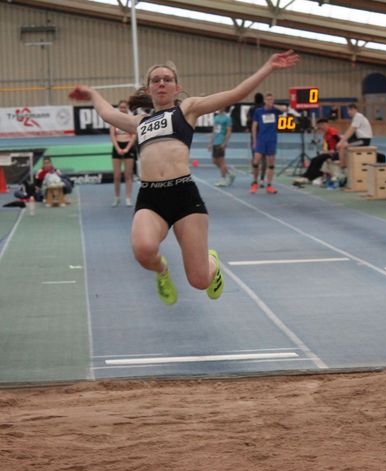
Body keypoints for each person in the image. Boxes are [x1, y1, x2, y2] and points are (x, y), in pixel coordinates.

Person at [69, 50, 299, 305]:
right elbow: (106, 113)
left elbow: (235, 93)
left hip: (183, 196)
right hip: (151, 196)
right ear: (148, 89)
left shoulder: (187, 110)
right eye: (156, 80)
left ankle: (212, 262)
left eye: (167, 79)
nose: (162, 83)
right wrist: (92, 93)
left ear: (177, 88)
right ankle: (162, 271)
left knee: (200, 280)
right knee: (143, 250)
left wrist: (268, 67)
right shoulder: (139, 122)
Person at [251, 92, 288, 194]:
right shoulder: (259, 111)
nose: (269, 101)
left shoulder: (275, 110)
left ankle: (269, 185)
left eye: (271, 99)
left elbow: (285, 109)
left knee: (271, 163)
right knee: (256, 161)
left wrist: (274, 105)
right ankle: (254, 183)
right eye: (268, 99)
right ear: (264, 101)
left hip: (272, 140)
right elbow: (254, 126)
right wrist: (254, 140)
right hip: (261, 140)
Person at [293, 118, 341, 186]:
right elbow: (330, 146)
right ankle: (308, 175)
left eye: (321, 125)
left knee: (316, 160)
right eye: (319, 126)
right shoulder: (325, 134)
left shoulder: (332, 130)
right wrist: (328, 151)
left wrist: (335, 150)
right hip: (331, 152)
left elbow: (339, 141)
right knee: (314, 160)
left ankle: (310, 176)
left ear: (325, 125)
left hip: (336, 153)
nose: (320, 127)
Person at [110, 99, 137, 206]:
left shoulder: (131, 120)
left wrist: (127, 148)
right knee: (116, 176)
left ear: (127, 108)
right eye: (121, 107)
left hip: (128, 147)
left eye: (124, 107)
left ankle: (128, 198)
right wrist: (117, 148)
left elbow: (134, 135)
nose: (122, 109)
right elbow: (112, 135)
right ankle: (116, 197)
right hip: (117, 147)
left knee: (128, 175)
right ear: (118, 108)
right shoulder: (114, 120)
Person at [336, 104, 373, 170]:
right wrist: (343, 138)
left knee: (342, 145)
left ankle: (342, 167)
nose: (348, 112)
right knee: (343, 143)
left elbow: (351, 130)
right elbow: (352, 132)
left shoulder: (358, 116)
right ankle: (345, 164)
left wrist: (341, 141)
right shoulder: (356, 118)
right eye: (348, 110)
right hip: (359, 139)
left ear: (356, 110)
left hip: (363, 141)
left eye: (351, 110)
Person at [208, 107, 235, 187]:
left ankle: (223, 179)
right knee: (214, 161)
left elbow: (229, 132)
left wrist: (224, 143)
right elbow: (214, 130)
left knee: (221, 161)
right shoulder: (216, 117)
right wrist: (211, 143)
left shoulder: (227, 118)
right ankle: (230, 173)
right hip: (215, 142)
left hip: (221, 141)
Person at [246, 92, 267, 187]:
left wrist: (249, 128)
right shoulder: (265, 108)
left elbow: (249, 121)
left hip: (255, 135)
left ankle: (255, 179)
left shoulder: (252, 109)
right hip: (265, 135)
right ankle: (262, 179)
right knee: (264, 158)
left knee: (255, 157)